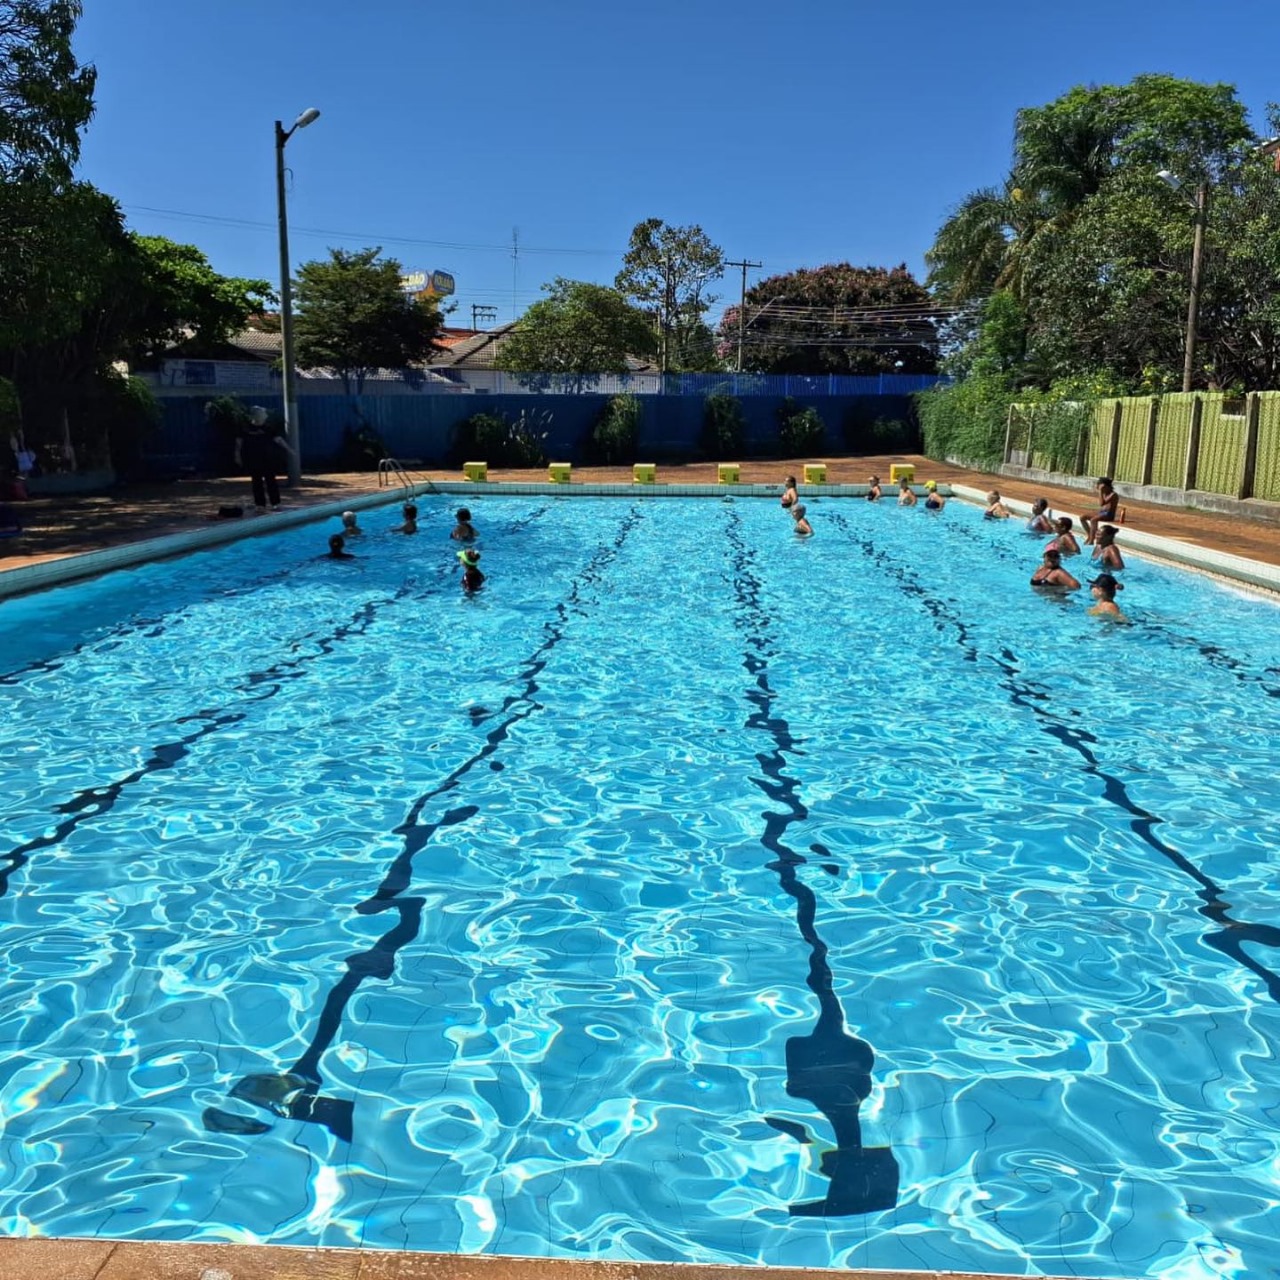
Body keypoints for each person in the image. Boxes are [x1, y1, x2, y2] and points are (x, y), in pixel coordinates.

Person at [234, 406, 294, 514]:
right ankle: (260, 505)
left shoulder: (268, 428)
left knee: (271, 481)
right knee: (256, 482)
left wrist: (289, 449)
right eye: (262, 414)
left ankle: (275, 503)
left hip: (267, 459)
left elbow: (278, 440)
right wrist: (237, 456)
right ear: (256, 416)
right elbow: (239, 443)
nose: (264, 417)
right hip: (253, 459)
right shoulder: (246, 428)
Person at [1081, 476, 1120, 545]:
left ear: (1105, 486)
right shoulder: (1104, 493)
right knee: (1082, 517)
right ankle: (1090, 535)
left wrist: (1100, 491)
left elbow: (1102, 503)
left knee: (1093, 520)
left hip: (1108, 515)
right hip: (1102, 513)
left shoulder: (1113, 495)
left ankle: (1092, 540)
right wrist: (1101, 490)